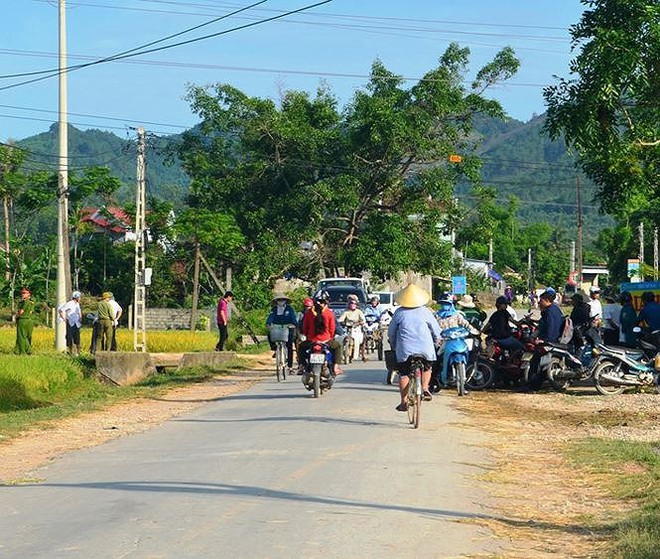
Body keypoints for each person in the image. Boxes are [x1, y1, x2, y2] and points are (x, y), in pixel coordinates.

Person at [388, 284, 441, 411]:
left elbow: (391, 333)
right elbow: (436, 331)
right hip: (425, 349)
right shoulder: (426, 312)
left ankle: (403, 401)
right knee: (427, 368)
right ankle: (425, 388)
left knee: (404, 374)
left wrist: (393, 345)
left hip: (405, 350)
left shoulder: (399, 313)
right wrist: (437, 341)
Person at [435, 293, 480, 388]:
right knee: (436, 359)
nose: (445, 306)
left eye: (447, 303)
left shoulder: (457, 315)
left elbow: (466, 324)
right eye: (443, 303)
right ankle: (434, 380)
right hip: (442, 341)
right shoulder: (436, 316)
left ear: (452, 304)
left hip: (456, 340)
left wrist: (474, 331)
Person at [525, 290, 565, 391]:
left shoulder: (550, 312)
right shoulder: (554, 309)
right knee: (541, 365)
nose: (539, 302)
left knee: (535, 362)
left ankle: (532, 386)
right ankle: (535, 385)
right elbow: (543, 325)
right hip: (551, 341)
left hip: (550, 342)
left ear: (547, 300)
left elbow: (552, 328)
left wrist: (545, 341)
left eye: (541, 300)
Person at [301, 290, 343, 375]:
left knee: (301, 347)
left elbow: (305, 327)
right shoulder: (329, 313)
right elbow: (332, 329)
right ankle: (335, 367)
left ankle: (302, 366)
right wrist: (329, 337)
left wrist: (308, 336)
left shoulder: (309, 313)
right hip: (326, 340)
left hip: (311, 341)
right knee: (338, 346)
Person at [266, 293, 298, 374]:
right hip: (277, 328)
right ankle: (275, 349)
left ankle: (290, 367)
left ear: (285, 301)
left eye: (282, 300)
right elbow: (270, 317)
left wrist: (293, 324)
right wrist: (268, 324)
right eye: (279, 300)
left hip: (288, 329)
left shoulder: (289, 309)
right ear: (276, 301)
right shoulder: (274, 309)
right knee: (269, 334)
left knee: (289, 346)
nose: (281, 301)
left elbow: (293, 318)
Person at [339, 296, 366, 361]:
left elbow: (363, 320)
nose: (352, 305)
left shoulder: (359, 312)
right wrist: (341, 322)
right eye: (351, 303)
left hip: (356, 328)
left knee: (357, 340)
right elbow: (340, 319)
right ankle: (342, 355)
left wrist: (359, 323)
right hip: (347, 328)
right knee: (341, 339)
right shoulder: (346, 311)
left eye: (354, 303)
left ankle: (355, 355)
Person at [58, 291, 82, 355]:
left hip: (77, 323)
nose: (80, 299)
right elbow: (61, 310)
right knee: (69, 337)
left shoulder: (77, 304)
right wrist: (64, 319)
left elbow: (79, 312)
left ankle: (78, 352)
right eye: (79, 297)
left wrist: (80, 318)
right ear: (76, 297)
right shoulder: (69, 303)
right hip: (70, 323)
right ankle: (70, 352)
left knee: (77, 338)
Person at [14, 287, 35, 355]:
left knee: (22, 336)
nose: (22, 294)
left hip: (23, 320)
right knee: (27, 336)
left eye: (24, 293)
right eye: (22, 293)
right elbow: (31, 312)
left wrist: (16, 316)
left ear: (29, 294)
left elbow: (21, 312)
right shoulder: (32, 303)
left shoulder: (25, 302)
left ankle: (24, 351)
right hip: (29, 320)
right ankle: (19, 350)